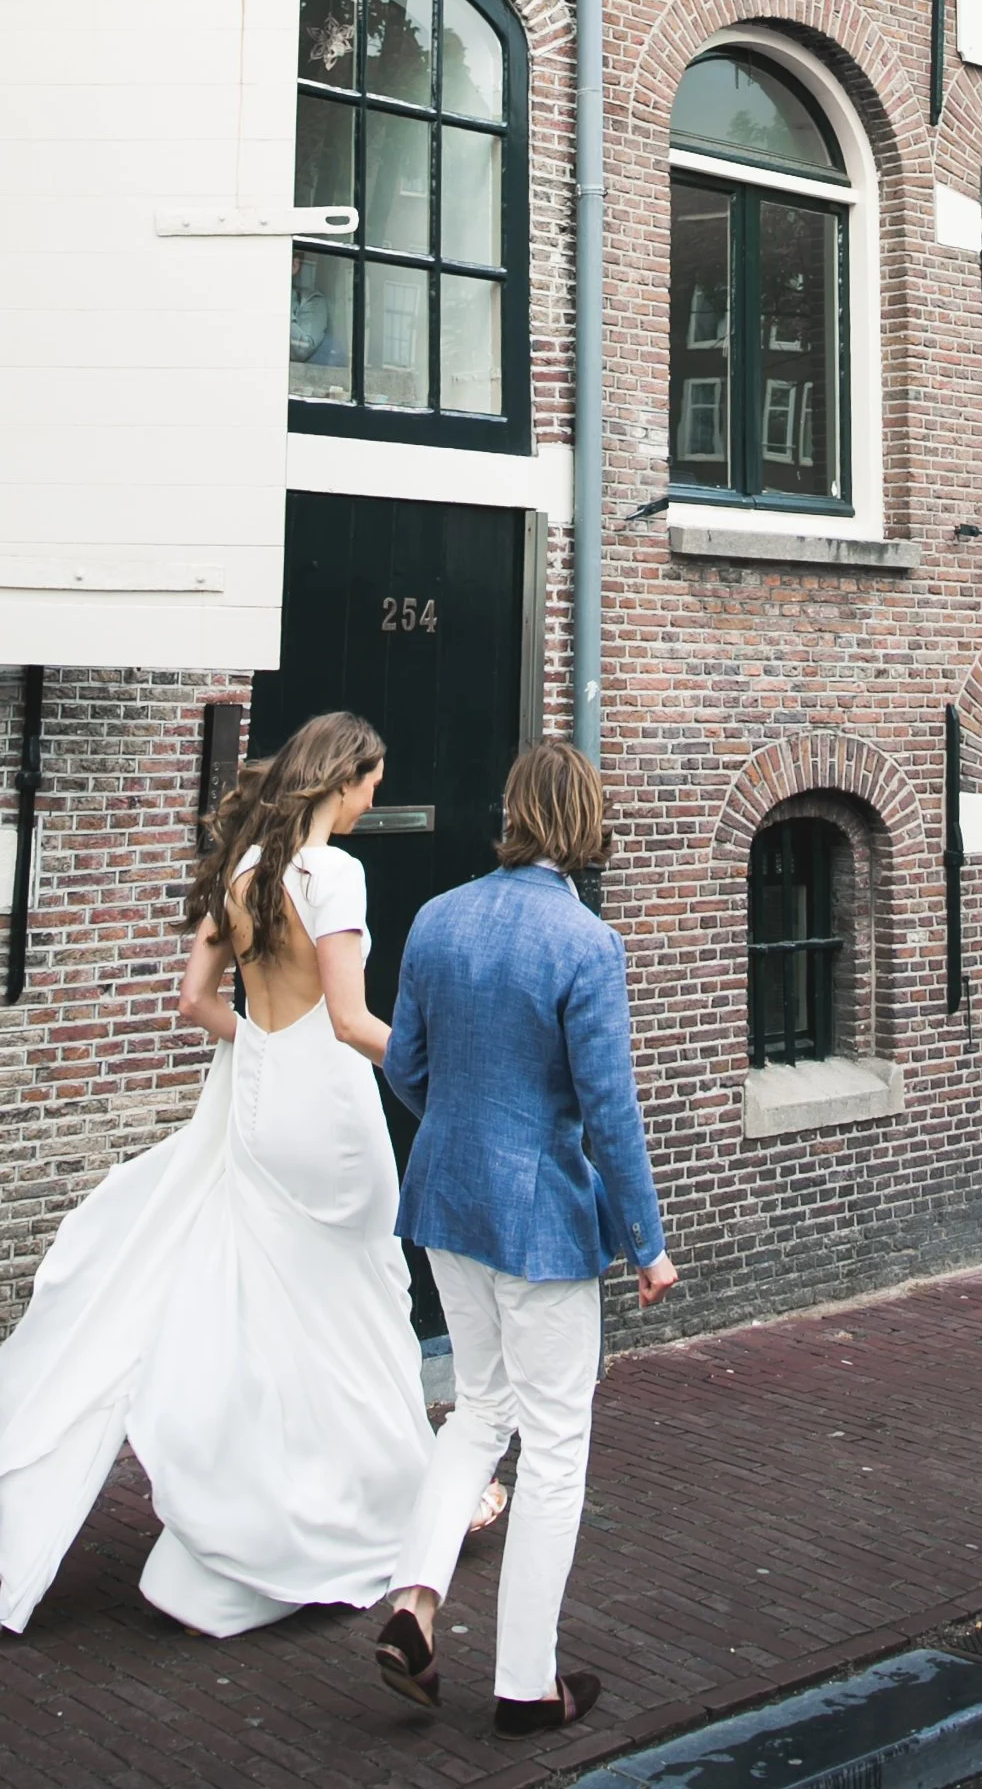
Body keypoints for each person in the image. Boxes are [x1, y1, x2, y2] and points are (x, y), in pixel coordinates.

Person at [0, 711, 433, 1637]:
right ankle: (365, 1513)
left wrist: (263, 1046)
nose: (372, 800)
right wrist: (446, 1078)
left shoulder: (243, 872)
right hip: (331, 1114)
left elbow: (194, 1001)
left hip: (260, 1107)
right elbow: (351, 1020)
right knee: (358, 1307)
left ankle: (268, 1516)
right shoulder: (333, 874)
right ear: (341, 777)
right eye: (371, 783)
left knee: (278, 1312)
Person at [371, 737, 677, 1736]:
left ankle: (415, 1605)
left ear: (511, 812)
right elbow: (610, 1109)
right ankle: (523, 1684)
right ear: (584, 823)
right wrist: (646, 1241)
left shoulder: (438, 917)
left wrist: (462, 1128)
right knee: (553, 1448)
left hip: (445, 1200)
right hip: (539, 1220)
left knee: (477, 1412)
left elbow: (404, 1063)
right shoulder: (586, 944)